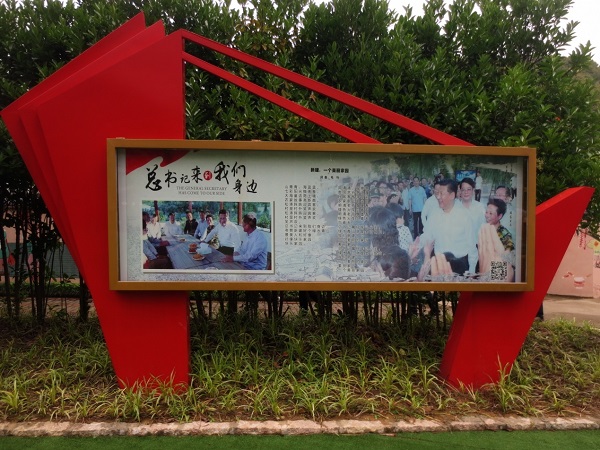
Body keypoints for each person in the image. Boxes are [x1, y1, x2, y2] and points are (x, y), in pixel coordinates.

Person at [419, 179, 478, 275]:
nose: (438, 197)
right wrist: (417, 245)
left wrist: (471, 271)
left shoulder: (464, 216)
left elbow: (472, 246)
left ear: (452, 195)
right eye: (437, 193)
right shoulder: (434, 213)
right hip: (439, 263)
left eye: (442, 194)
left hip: (459, 265)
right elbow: (427, 235)